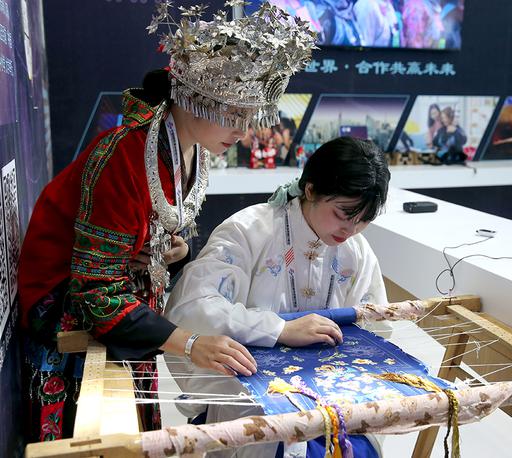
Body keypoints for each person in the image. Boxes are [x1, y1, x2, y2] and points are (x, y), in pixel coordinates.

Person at [17, 0, 315, 443]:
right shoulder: (125, 155)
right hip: (69, 301)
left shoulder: (191, 149)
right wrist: (191, 343)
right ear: (198, 98)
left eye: (252, 115)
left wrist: (172, 252)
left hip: (129, 296)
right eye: (236, 113)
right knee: (92, 438)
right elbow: (96, 292)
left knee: (140, 425)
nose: (246, 130)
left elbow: (153, 235)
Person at [164, 136, 391, 457]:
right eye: (343, 214)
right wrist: (280, 329)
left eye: (364, 220)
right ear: (310, 190)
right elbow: (193, 308)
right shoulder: (248, 231)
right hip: (251, 398)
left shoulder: (357, 251)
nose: (351, 230)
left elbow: (375, 325)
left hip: (330, 399)